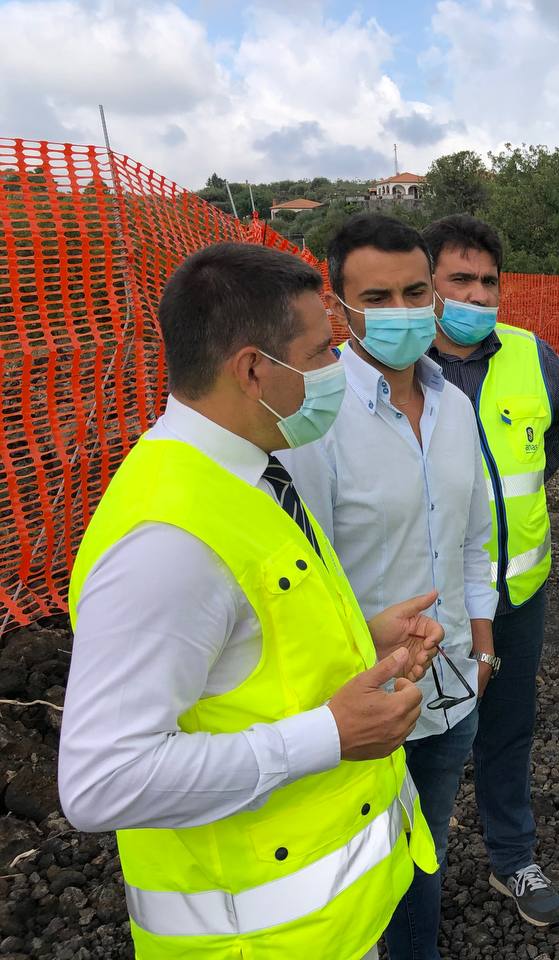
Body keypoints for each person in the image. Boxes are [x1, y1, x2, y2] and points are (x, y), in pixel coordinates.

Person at [58, 242, 441, 960]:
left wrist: (366, 635)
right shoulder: (167, 540)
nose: (335, 369)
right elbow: (101, 781)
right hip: (256, 940)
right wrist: (330, 734)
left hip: (333, 926)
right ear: (253, 369)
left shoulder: (249, 475)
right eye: (321, 351)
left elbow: (247, 651)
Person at [279, 214, 497, 960]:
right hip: (364, 704)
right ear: (340, 307)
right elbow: (305, 577)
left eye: (414, 291)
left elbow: (474, 539)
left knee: (424, 853)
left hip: (454, 689)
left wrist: (483, 649)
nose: (402, 311)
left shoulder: (456, 409)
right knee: (362, 869)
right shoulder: (317, 418)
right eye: (379, 296)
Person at [423, 214, 559, 926]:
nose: (478, 294)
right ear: (426, 285)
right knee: (418, 742)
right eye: (461, 279)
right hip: (425, 604)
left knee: (508, 731)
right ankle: (406, 880)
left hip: (518, 590)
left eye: (489, 281)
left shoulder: (529, 353)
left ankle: (511, 859)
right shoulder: (389, 366)